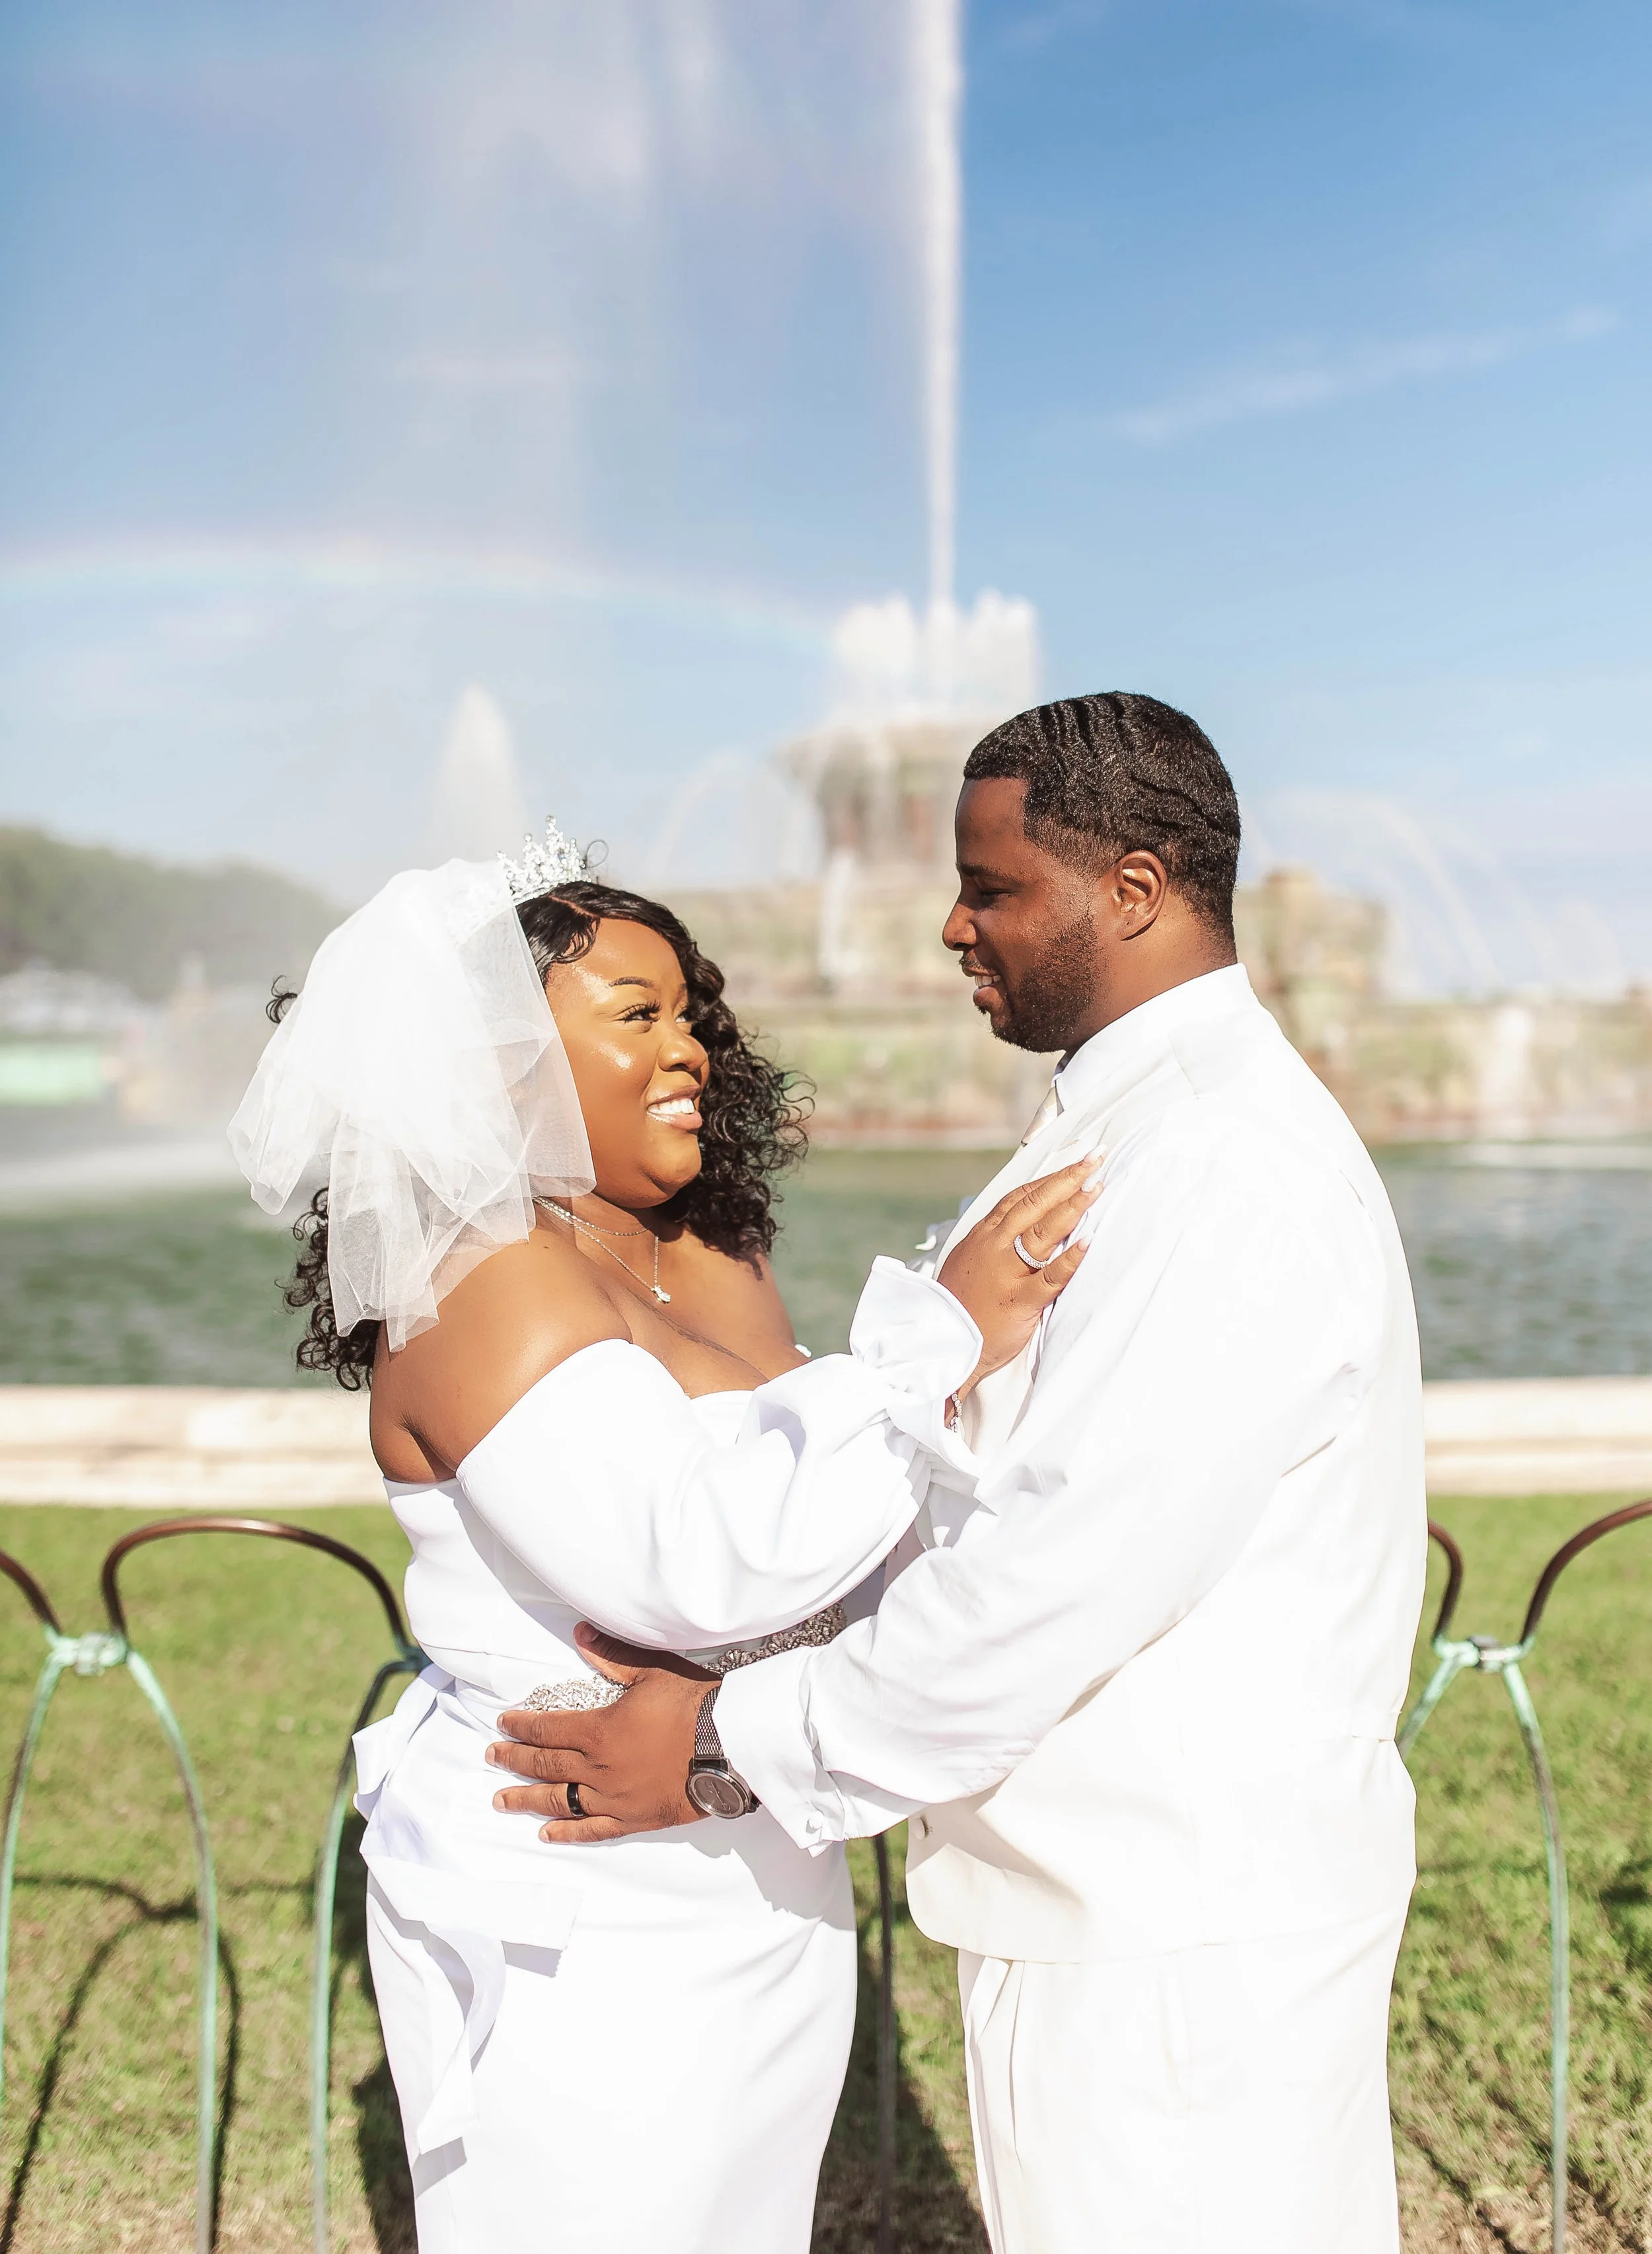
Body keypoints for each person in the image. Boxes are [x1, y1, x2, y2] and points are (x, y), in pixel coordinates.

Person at [488, 693, 1429, 2254]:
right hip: (1117, 1909)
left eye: (991, 889)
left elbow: (1056, 1571)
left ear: (1131, 890)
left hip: (1171, 1942)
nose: (948, 925)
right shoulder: (1137, 1123)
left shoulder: (1220, 1161)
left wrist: (722, 1742)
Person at [229, 834, 1092, 2254]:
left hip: (753, 1853)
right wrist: (938, 1337)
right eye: (637, 1013)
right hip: (569, 1892)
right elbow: (690, 1561)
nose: (688, 1044)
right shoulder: (478, 1280)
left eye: (690, 1009)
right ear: (497, 1068)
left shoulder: (709, 1252)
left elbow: (841, 1539)